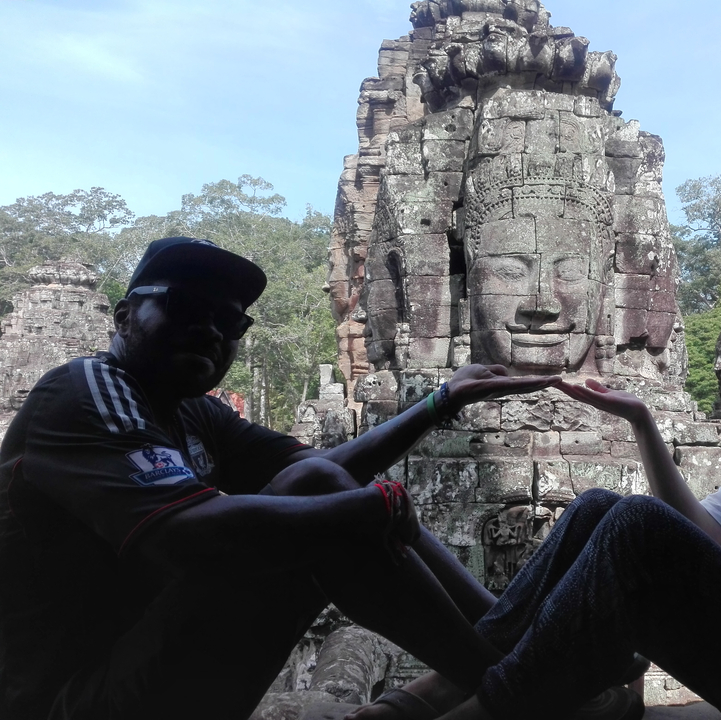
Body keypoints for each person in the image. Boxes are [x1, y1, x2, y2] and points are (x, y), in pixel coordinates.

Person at [0, 236, 562, 720]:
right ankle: (521, 685)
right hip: (66, 702)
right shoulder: (84, 390)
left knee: (328, 492)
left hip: (145, 665)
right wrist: (362, 511)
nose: (210, 331)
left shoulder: (192, 410)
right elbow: (183, 535)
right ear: (124, 317)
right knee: (331, 502)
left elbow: (321, 469)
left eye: (229, 321)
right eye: (185, 307)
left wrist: (442, 400)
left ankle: (511, 645)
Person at [351, 286, 721, 720]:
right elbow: (696, 533)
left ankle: (488, 707)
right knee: (596, 508)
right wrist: (640, 421)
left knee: (633, 521)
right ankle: (443, 686)